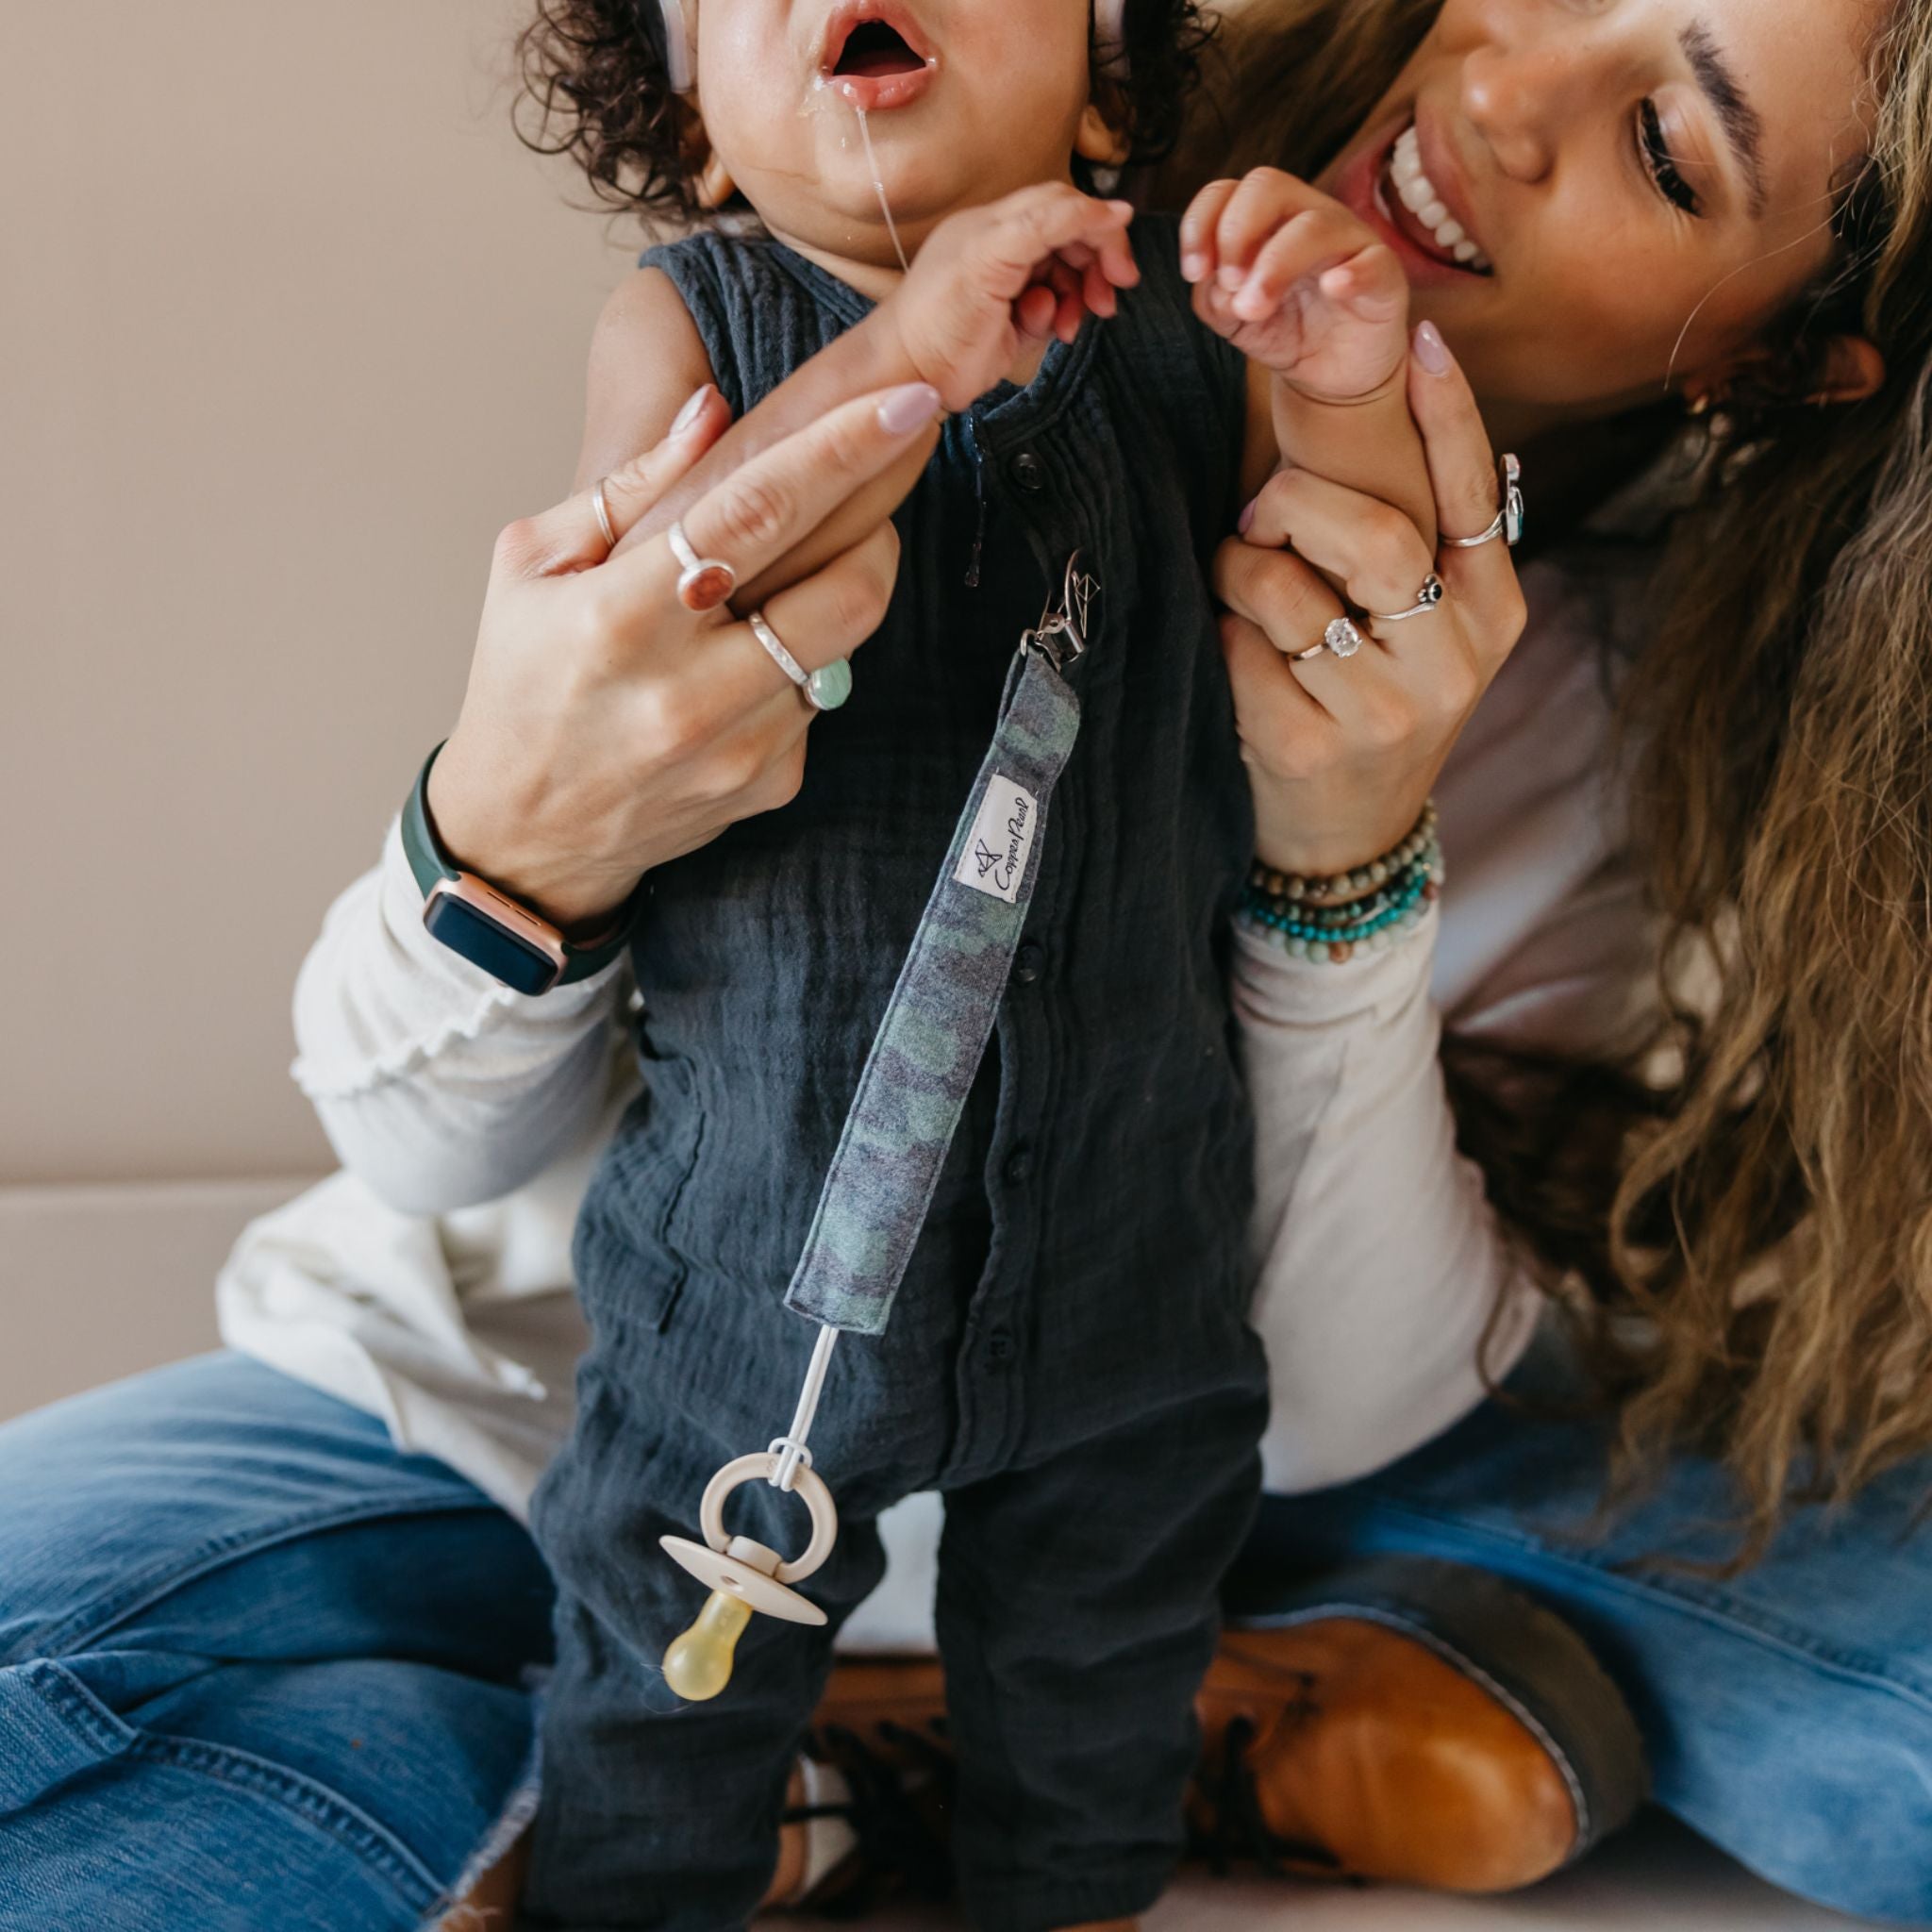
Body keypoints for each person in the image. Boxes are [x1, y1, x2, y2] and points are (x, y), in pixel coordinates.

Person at [3, 0, 1930, 1924]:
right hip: (526, 1409)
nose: (1496, 97)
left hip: (1123, 1441)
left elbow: (1339, 1411)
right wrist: (519, 838)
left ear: (1773, 359)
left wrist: (1344, 855)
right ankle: (656, 1765)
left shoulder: (1633, 730)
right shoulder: (842, 302)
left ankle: (825, 1771)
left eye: (1665, 148)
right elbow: (424, 1151)